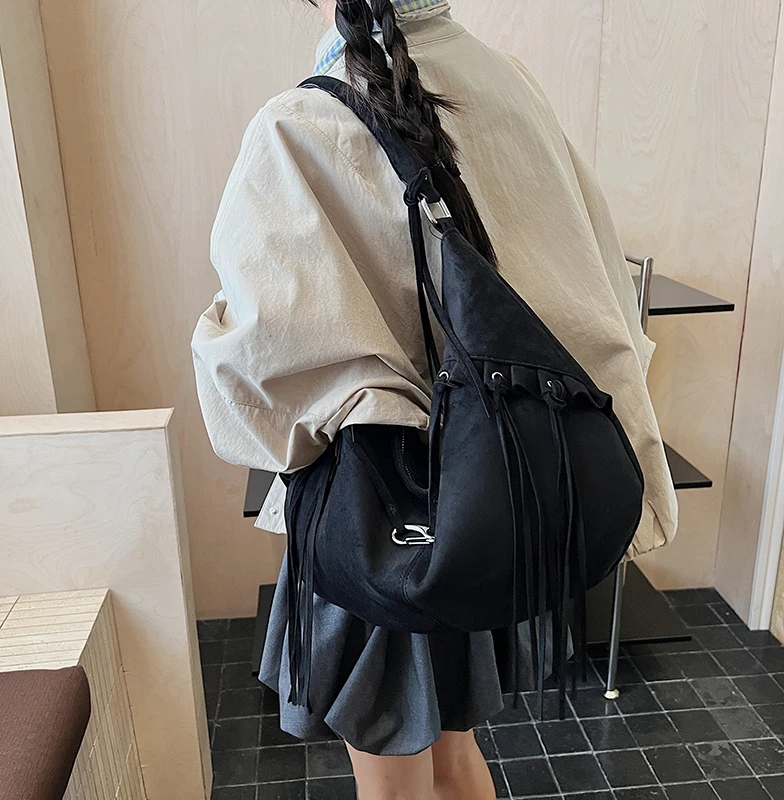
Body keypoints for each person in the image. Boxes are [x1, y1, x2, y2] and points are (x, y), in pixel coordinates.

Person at [192, 1, 678, 797]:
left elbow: (255, 390)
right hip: (492, 501)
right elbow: (599, 297)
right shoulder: (509, 84)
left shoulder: (297, 126)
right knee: (453, 758)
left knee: (394, 785)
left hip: (384, 527)